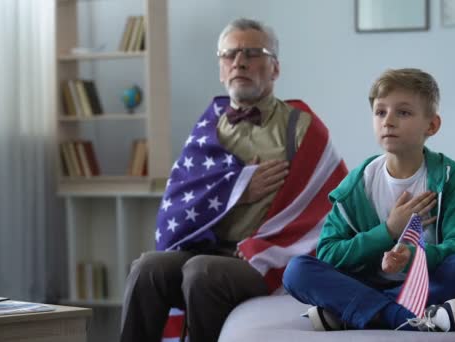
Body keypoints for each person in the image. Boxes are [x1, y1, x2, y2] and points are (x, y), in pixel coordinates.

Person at [120, 18, 347, 342]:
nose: (239, 61)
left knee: (201, 273)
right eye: (230, 55)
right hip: (208, 247)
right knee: (147, 268)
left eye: (252, 53)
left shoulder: (301, 127)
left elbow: (331, 203)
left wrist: (264, 243)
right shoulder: (207, 128)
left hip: (265, 257)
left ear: (275, 68)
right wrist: (238, 190)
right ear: (221, 69)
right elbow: (180, 200)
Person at [283, 68, 455, 332]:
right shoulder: (357, 185)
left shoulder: (449, 179)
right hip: (366, 283)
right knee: (297, 271)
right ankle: (405, 318)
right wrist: (388, 231)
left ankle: (353, 313)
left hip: (426, 283)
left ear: (432, 125)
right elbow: (329, 253)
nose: (388, 121)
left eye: (403, 112)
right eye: (380, 112)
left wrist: (411, 256)